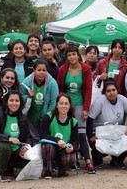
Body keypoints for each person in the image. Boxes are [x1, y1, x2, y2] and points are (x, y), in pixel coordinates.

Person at [57, 45, 95, 173]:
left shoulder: (86, 69)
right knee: (68, 133)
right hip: (66, 106)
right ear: (66, 57)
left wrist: (86, 109)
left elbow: (89, 90)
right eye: (69, 55)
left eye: (74, 54)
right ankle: (72, 160)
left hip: (80, 105)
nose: (72, 57)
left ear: (78, 55)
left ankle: (88, 162)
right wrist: (61, 105)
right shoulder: (62, 70)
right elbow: (61, 88)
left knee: (81, 134)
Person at [87, 79, 127, 168]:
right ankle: (97, 160)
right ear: (104, 93)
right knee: (95, 145)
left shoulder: (122, 99)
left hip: (117, 134)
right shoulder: (99, 101)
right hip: (100, 135)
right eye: (108, 91)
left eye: (113, 90)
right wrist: (90, 135)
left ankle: (117, 160)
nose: (111, 93)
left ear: (117, 90)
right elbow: (90, 119)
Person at [0, 90, 32, 182]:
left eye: (17, 101)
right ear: (6, 102)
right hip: (0, 150)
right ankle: (4, 171)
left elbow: (27, 136)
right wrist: (8, 138)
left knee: (31, 158)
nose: (14, 103)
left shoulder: (22, 117)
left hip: (16, 150)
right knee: (4, 146)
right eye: (11, 100)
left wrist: (26, 146)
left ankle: (11, 167)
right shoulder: (0, 115)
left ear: (20, 102)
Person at [40, 93, 79, 179]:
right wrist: (57, 140)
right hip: (50, 148)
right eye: (61, 103)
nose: (63, 106)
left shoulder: (73, 121)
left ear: (69, 106)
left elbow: (75, 141)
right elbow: (42, 135)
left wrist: (72, 147)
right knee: (48, 147)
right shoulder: (48, 117)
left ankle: (62, 169)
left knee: (70, 157)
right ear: (56, 105)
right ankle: (48, 171)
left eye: (66, 103)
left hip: (63, 149)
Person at [20, 59, 59, 142]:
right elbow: (20, 98)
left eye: (44, 70)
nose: (41, 72)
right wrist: (28, 97)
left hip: (45, 115)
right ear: (34, 70)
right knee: (33, 139)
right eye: (39, 70)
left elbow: (53, 102)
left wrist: (47, 117)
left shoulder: (52, 83)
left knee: (43, 137)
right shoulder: (26, 81)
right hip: (30, 116)